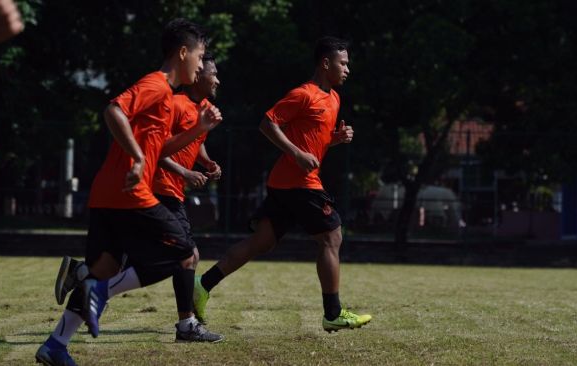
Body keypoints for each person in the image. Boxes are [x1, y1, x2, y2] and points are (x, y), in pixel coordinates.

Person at [35, 18, 222, 366]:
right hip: (130, 194)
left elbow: (160, 148)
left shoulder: (168, 97)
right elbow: (114, 110)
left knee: (103, 268)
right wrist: (137, 158)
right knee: (184, 252)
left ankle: (55, 345)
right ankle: (96, 290)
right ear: (182, 53)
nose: (201, 63)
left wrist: (197, 130)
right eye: (199, 55)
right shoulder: (157, 85)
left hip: (107, 194)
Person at [192, 36, 372, 333]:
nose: (347, 70)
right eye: (343, 63)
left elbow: (313, 141)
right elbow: (267, 123)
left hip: (284, 183)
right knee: (332, 237)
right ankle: (333, 312)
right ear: (326, 64)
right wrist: (297, 154)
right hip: (300, 183)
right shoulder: (304, 94)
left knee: (260, 242)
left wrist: (334, 140)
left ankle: (203, 284)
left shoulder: (335, 99)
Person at [152, 51, 223, 342]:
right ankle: (187, 324)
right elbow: (156, 149)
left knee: (161, 255)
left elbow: (196, 142)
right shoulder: (176, 104)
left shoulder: (206, 108)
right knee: (188, 256)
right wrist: (185, 173)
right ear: (198, 75)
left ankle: (84, 274)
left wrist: (206, 163)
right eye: (213, 73)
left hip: (174, 191)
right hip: (161, 187)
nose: (217, 79)